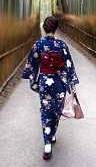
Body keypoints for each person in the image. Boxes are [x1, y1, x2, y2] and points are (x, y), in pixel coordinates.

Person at [21, 15, 80, 160]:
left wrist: (33, 82)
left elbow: (32, 65)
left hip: (45, 83)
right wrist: (71, 83)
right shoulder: (62, 45)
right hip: (60, 83)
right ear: (56, 28)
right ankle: (52, 134)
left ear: (44, 28)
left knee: (46, 110)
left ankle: (47, 143)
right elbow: (69, 65)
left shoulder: (38, 45)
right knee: (57, 110)